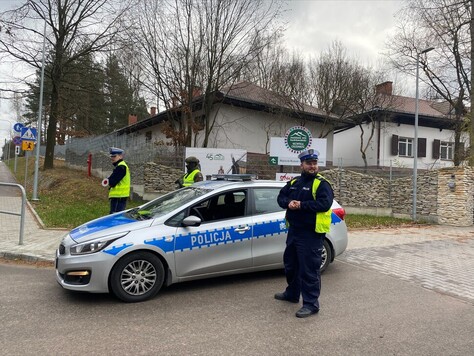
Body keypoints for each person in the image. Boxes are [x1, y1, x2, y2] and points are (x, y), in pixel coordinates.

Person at [275, 148, 334, 318]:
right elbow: (280, 197)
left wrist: (301, 205)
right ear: (301, 165)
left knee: (309, 269)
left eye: (315, 163)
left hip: (311, 234)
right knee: (291, 265)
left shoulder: (321, 184)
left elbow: (324, 204)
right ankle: (292, 294)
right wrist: (289, 203)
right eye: (309, 163)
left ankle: (311, 304)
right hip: (294, 231)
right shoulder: (295, 183)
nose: (312, 166)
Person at [106, 147, 131, 214]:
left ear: (120, 156)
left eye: (114, 156)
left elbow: (112, 182)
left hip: (119, 197)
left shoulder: (121, 167)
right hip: (120, 196)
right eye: (112, 156)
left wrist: (109, 180)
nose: (112, 158)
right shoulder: (121, 166)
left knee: (115, 217)